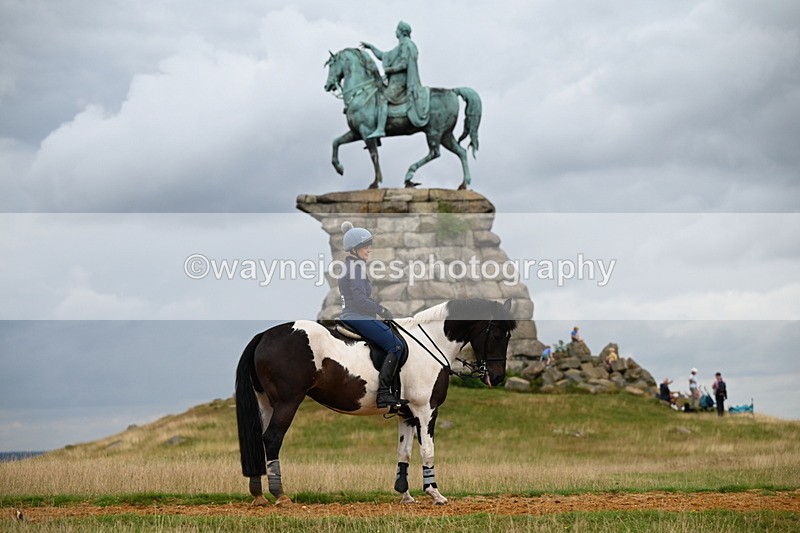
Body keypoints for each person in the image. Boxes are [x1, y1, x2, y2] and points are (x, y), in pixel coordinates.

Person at [337, 221, 408, 410]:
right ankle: (384, 393)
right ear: (355, 249)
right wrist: (381, 310)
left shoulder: (350, 266)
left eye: (369, 246)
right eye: (365, 246)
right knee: (396, 345)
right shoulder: (356, 268)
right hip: (357, 316)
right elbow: (361, 300)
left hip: (353, 315)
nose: (369, 250)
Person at [360, 21, 429, 139]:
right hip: (395, 82)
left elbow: (404, 64)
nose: (395, 32)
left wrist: (390, 70)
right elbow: (383, 56)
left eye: (397, 29)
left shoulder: (406, 45)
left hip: (400, 83)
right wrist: (371, 47)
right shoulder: (400, 46)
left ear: (401, 32)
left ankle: (381, 129)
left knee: (382, 99)